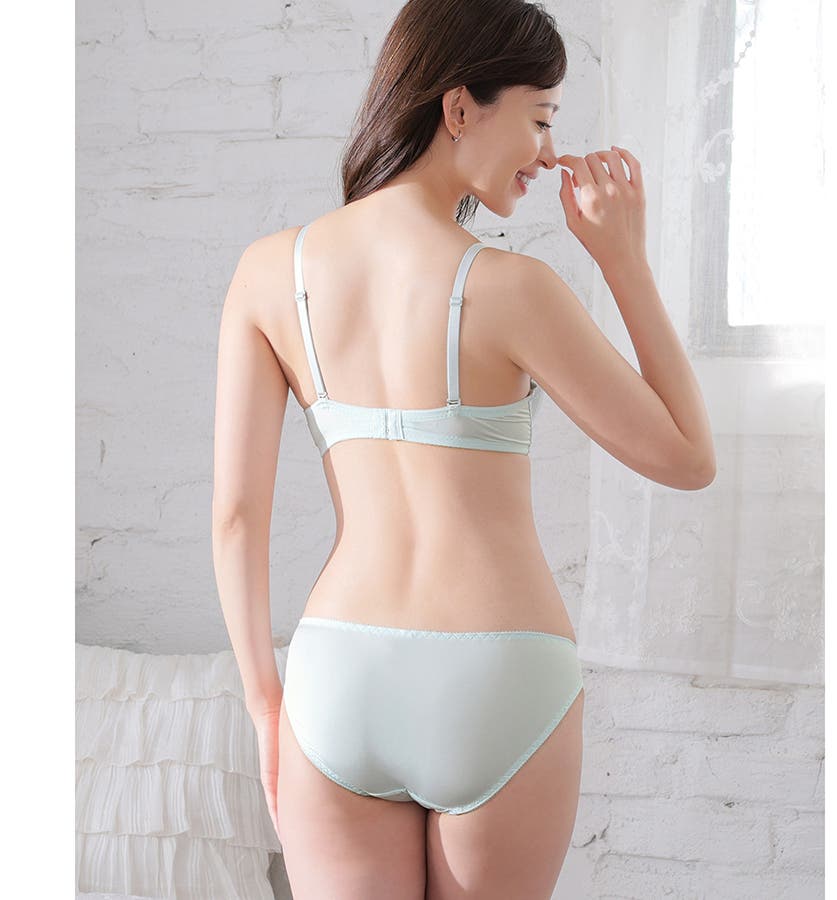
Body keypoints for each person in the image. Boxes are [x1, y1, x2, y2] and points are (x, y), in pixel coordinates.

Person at [212, 1, 716, 897]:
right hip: (499, 676)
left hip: (338, 679)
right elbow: (687, 457)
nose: (551, 153)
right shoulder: (515, 288)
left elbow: (236, 519)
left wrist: (264, 704)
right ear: (458, 108)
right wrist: (624, 260)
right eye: (541, 117)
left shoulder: (266, 272)